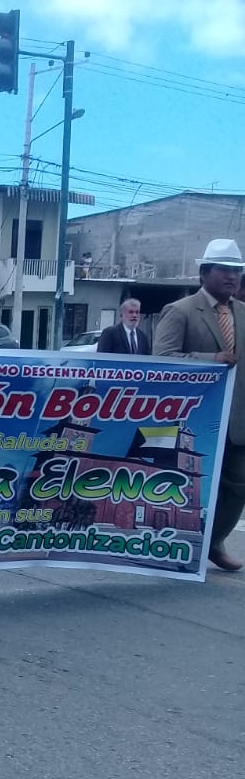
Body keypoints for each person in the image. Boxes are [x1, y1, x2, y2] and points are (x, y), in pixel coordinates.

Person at [153, 237, 245, 573]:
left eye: (237, 270)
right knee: (186, 488)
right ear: (204, 273)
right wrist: (211, 359)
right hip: (194, 420)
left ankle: (213, 542)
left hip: (237, 419)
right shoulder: (181, 311)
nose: (232, 276)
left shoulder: (242, 312)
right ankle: (171, 545)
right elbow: (162, 359)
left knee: (237, 485)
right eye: (224, 269)